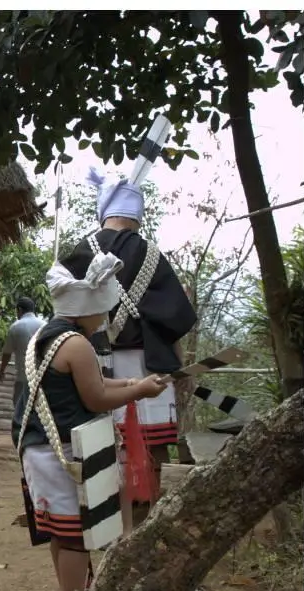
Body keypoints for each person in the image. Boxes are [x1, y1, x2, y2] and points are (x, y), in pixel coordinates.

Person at [13, 250, 168, 591]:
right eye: (101, 311)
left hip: (40, 449)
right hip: (63, 453)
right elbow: (95, 397)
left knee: (60, 532)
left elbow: (90, 383)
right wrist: (139, 391)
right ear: (86, 306)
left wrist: (130, 382)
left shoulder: (45, 336)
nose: (103, 319)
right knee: (74, 536)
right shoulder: (77, 344)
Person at [79, 168, 198, 514]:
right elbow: (175, 319)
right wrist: (178, 367)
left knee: (99, 443)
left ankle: (105, 514)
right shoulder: (152, 254)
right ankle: (149, 511)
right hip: (149, 364)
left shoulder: (79, 253)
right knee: (153, 443)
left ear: (104, 211)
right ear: (137, 214)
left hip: (90, 364)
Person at [0, 296, 45, 409]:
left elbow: (7, 353)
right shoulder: (44, 325)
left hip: (23, 378)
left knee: (20, 410)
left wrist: (2, 371)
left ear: (19, 310)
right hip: (43, 379)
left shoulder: (15, 327)